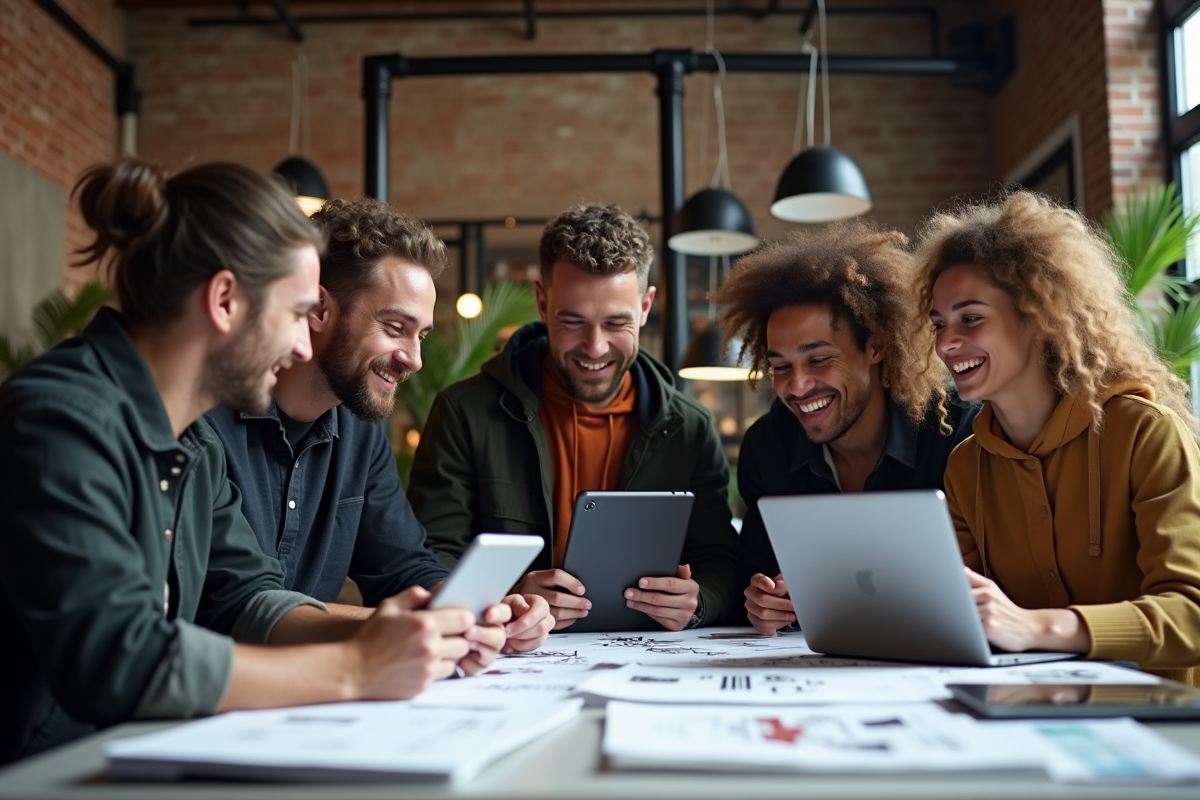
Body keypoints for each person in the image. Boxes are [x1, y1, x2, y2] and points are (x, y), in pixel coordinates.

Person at [0, 160, 502, 765]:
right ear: (225, 301)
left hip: (127, 753)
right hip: (41, 766)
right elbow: (117, 656)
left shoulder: (190, 442)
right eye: (295, 313)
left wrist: (394, 631)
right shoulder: (61, 417)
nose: (300, 345)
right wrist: (356, 666)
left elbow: (246, 595)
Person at [205, 197, 552, 653]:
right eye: (395, 327)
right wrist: (406, 625)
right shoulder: (205, 419)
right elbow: (235, 601)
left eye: (421, 335)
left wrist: (485, 613)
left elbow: (402, 566)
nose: (415, 359)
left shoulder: (359, 426)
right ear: (318, 310)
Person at [408, 204, 739, 631]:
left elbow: (720, 560)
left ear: (645, 306)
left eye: (616, 322)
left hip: (650, 658)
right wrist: (508, 597)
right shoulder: (465, 413)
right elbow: (430, 555)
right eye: (573, 321)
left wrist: (699, 601)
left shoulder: (690, 428)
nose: (595, 347)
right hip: (509, 657)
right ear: (542, 303)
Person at [917, 191, 1200, 685]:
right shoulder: (965, 467)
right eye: (939, 324)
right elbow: (969, 617)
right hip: (1031, 716)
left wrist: (1037, 626)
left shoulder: (1145, 434)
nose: (945, 343)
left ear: (1039, 319)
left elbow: (1191, 616)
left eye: (971, 318)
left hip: (1158, 726)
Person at [712, 222, 977, 634]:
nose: (796, 386)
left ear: (875, 347)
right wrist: (762, 603)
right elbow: (758, 577)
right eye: (780, 367)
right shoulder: (768, 447)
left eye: (818, 360)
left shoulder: (957, 432)